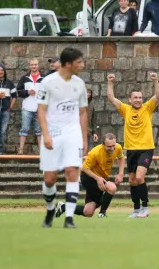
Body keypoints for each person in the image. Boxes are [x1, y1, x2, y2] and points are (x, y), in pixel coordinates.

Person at [39, 48, 88, 229]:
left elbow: (83, 112)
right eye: (79, 62)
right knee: (50, 178)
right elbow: (41, 110)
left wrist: (84, 140)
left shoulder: (80, 84)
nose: (82, 66)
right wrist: (46, 135)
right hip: (53, 134)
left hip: (72, 134)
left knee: (72, 172)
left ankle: (69, 218)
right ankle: (51, 209)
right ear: (68, 64)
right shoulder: (48, 82)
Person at [107, 72, 159, 218]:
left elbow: (158, 96)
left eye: (140, 98)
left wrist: (155, 80)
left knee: (139, 177)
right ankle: (136, 208)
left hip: (146, 148)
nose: (138, 100)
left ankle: (145, 207)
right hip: (131, 149)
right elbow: (111, 98)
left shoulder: (147, 108)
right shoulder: (126, 109)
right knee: (132, 180)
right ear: (130, 100)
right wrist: (110, 83)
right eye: (135, 98)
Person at [55, 133, 125, 219]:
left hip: (100, 178)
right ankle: (102, 213)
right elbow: (84, 168)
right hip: (88, 178)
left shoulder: (118, 147)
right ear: (103, 144)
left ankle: (64, 207)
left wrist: (121, 173)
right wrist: (98, 178)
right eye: (109, 146)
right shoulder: (95, 153)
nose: (112, 148)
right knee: (111, 187)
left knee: (88, 212)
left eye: (113, 146)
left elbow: (121, 157)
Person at [17, 58, 44, 154]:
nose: (34, 66)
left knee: (39, 130)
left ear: (38, 65)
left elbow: (48, 92)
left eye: (35, 64)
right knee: (24, 129)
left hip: (40, 108)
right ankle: (20, 149)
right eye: (32, 64)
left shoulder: (44, 78)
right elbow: (18, 92)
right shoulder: (24, 78)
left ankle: (42, 151)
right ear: (30, 66)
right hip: (27, 108)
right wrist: (27, 92)